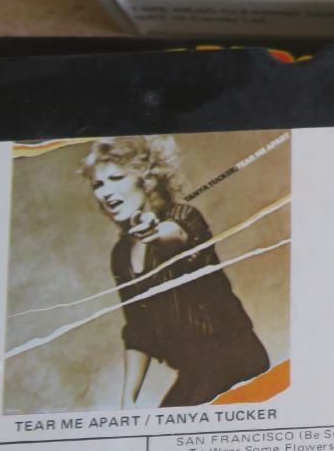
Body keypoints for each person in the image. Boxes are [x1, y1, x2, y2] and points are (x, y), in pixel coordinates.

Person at [84, 134, 271, 409]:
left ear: (146, 179)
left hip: (236, 360)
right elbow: (138, 330)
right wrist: (127, 400)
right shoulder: (121, 255)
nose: (106, 192)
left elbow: (177, 236)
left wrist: (153, 232)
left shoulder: (184, 218)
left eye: (116, 178)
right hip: (193, 374)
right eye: (98, 184)